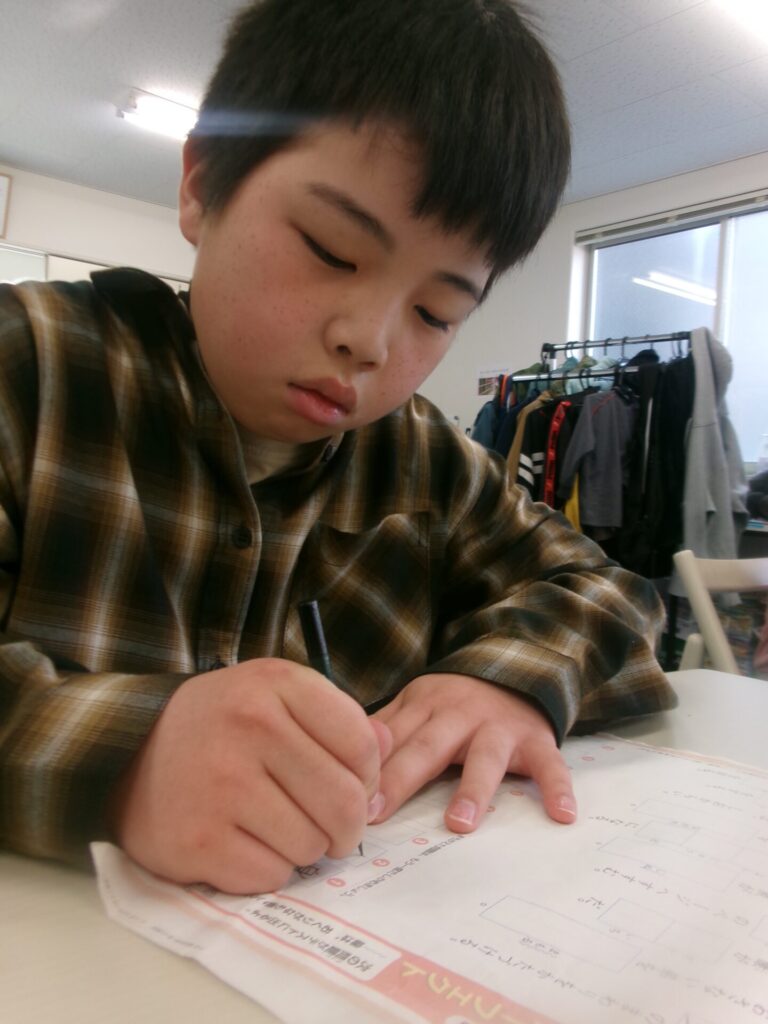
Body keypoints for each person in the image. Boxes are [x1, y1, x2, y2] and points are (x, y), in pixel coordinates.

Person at [0, 0, 676, 895]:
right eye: (330, 249)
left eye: (435, 312)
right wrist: (124, 759)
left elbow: (607, 591)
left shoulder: (424, 460)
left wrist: (507, 682)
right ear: (201, 185)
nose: (370, 341)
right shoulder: (30, 370)